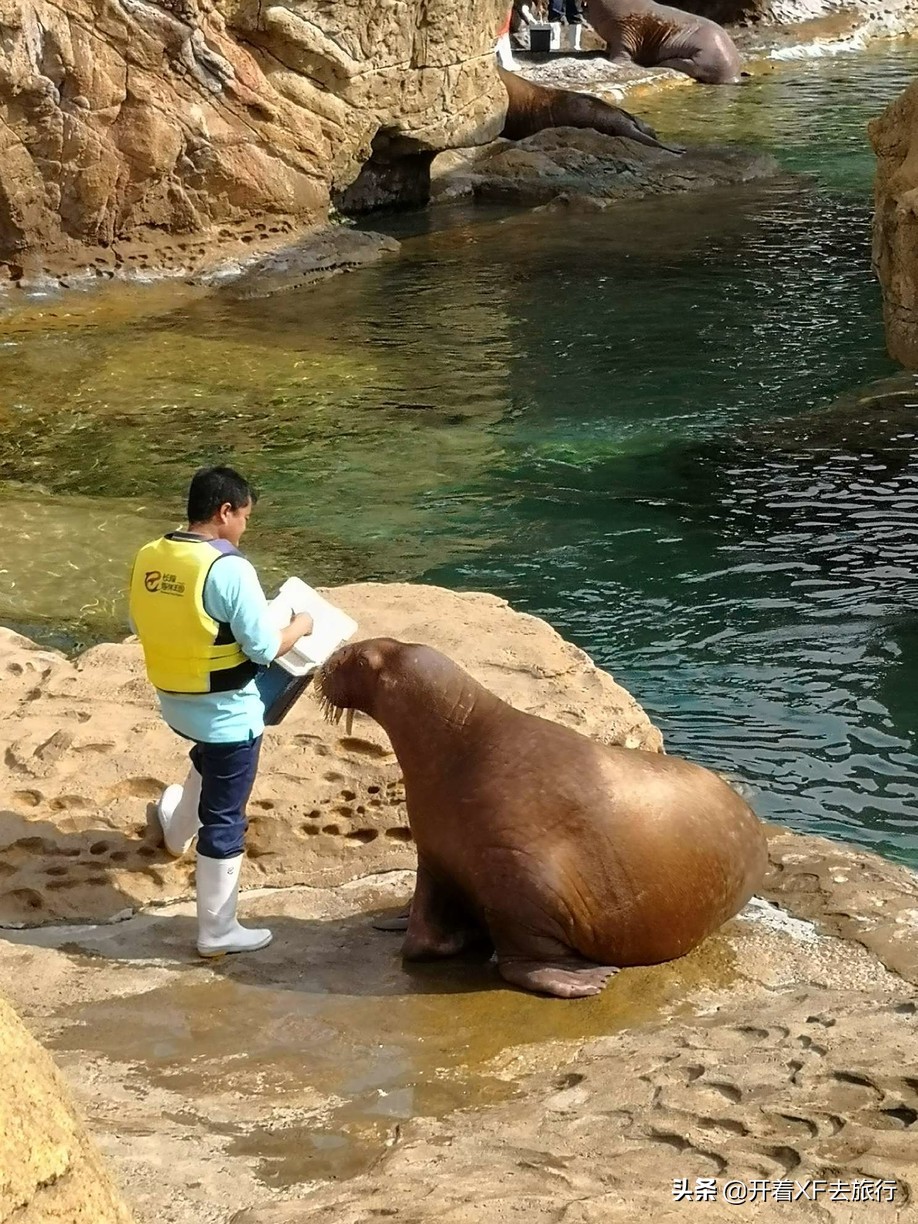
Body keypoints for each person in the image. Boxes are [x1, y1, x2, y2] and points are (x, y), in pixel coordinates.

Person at [128, 466, 313, 958]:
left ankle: (175, 829)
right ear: (225, 511)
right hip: (226, 713)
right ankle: (218, 930)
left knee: (210, 759)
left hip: (175, 700)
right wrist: (302, 624)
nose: (245, 528)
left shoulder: (150, 554)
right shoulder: (229, 569)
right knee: (226, 817)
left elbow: (144, 621)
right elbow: (264, 648)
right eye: (245, 517)